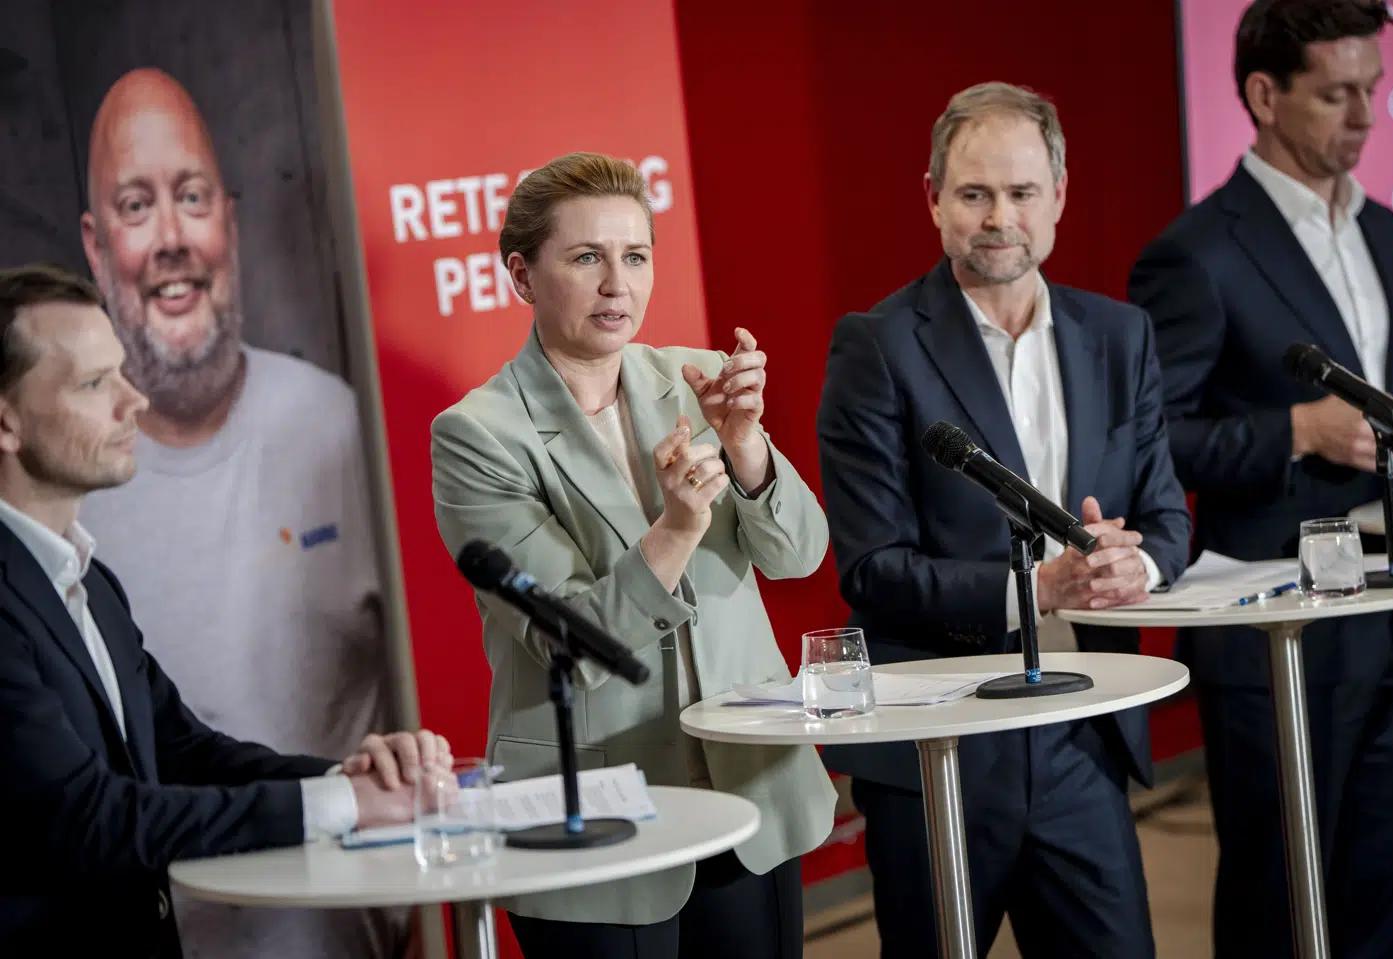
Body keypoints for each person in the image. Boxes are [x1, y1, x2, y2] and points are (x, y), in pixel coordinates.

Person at [816, 82, 1192, 958]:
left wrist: (1142, 568)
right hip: (942, 746)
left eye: (1022, 193)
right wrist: (1040, 587)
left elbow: (1167, 516)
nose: (999, 217)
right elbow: (872, 566)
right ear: (934, 198)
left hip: (1085, 733)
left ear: (1059, 195)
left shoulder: (1120, 333)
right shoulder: (877, 347)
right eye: (975, 193)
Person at [430, 151, 836, 959]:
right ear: (521, 275)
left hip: (747, 784)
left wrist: (747, 447)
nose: (619, 283)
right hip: (597, 811)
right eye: (587, 258)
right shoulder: (478, 435)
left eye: (636, 256)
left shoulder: (700, 380)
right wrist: (678, 530)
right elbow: (571, 640)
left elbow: (800, 554)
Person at [0, 262, 450, 958]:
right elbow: (87, 818)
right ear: (6, 420)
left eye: (122, 371)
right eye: (94, 384)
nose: (134, 401)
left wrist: (345, 778)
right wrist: (339, 809)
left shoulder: (87, 579)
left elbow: (182, 750)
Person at [1128, 2, 1393, 955]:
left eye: (1373, 91)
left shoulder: (1382, 229)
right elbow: (1153, 439)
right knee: (1280, 898)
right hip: (1277, 627)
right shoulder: (1198, 251)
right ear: (1263, 95)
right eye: (1336, 93)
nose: (1363, 116)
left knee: (1388, 886)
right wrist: (1294, 428)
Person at [73, 67, 403, 959]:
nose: (173, 237)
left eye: (191, 196)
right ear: (98, 249)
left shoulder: (337, 423)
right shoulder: (58, 492)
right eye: (137, 206)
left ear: (233, 219)